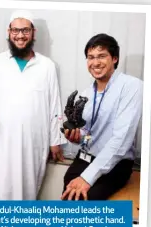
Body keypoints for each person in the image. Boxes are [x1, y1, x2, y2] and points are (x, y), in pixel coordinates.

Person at [0, 10, 66, 200]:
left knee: (29, 190)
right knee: (1, 189)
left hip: (34, 141)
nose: (20, 35)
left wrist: (56, 141)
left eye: (25, 30)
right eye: (16, 30)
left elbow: (55, 104)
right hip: (2, 139)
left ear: (33, 32)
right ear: (9, 31)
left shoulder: (47, 66)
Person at [61, 33, 143, 201]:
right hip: (85, 158)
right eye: (90, 57)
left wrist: (87, 178)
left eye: (101, 56)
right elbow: (89, 135)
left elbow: (121, 140)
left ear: (114, 58)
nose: (95, 62)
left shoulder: (132, 86)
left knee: (86, 198)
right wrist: (78, 138)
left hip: (116, 164)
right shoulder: (86, 94)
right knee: (68, 191)